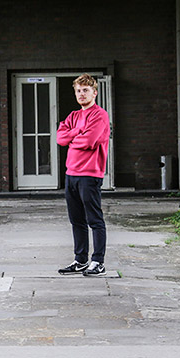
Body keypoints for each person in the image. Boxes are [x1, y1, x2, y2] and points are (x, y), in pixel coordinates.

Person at [56, 73, 110, 276]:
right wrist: (77, 133)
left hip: (90, 174)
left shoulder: (100, 115)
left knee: (94, 220)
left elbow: (89, 142)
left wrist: (74, 137)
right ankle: (80, 260)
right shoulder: (73, 116)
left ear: (94, 92)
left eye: (85, 90)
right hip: (71, 173)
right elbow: (60, 139)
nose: (81, 94)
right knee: (76, 220)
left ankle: (98, 262)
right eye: (78, 90)